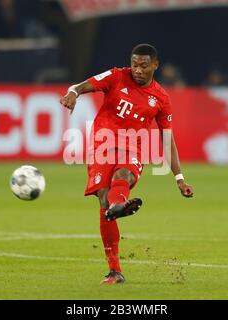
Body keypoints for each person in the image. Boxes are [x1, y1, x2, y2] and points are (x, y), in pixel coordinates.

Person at [60, 44, 193, 284]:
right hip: (102, 145)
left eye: (143, 65)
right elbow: (81, 86)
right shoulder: (116, 76)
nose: (138, 70)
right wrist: (73, 94)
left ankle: (119, 204)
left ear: (155, 65)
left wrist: (179, 178)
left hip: (133, 147)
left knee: (123, 174)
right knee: (103, 198)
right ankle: (115, 270)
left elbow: (167, 141)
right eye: (134, 64)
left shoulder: (161, 98)